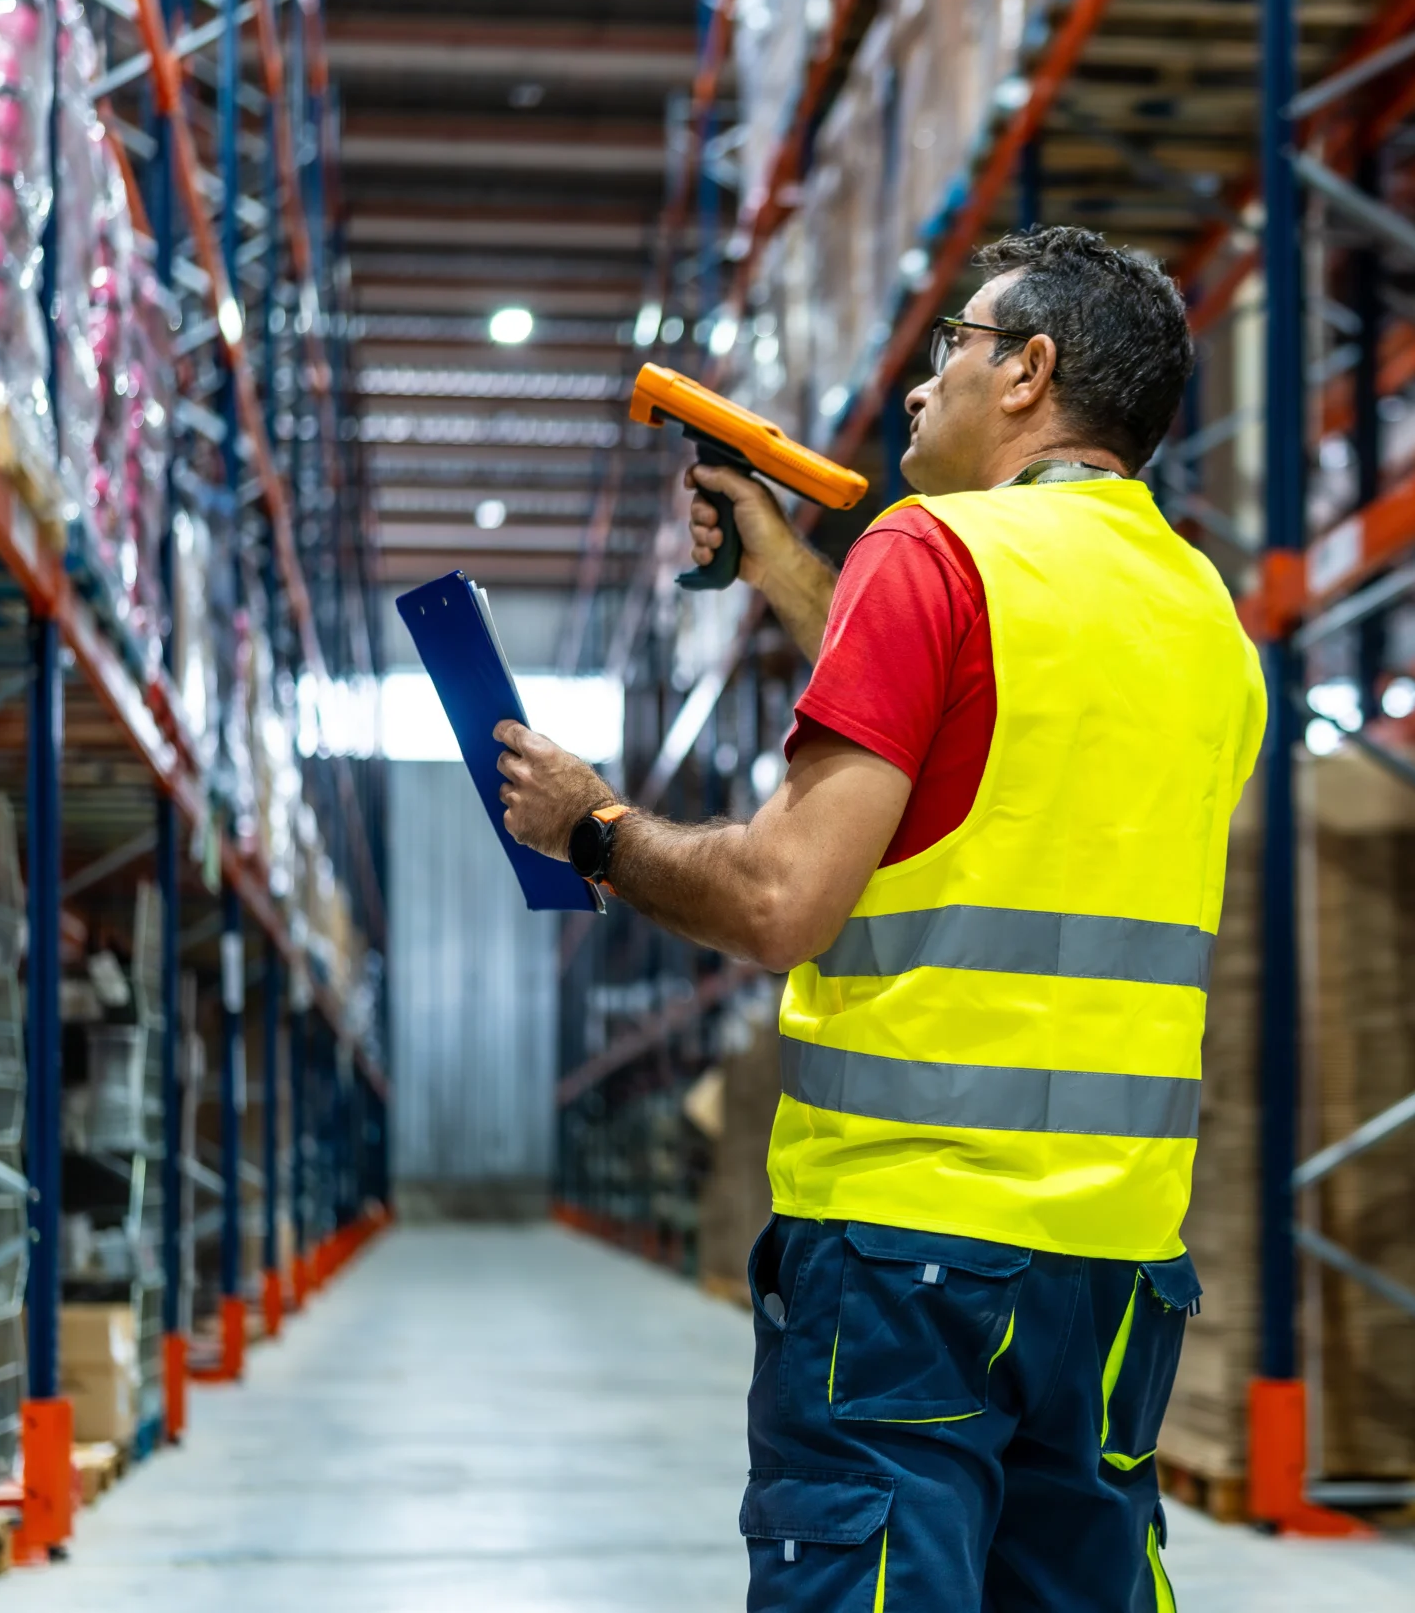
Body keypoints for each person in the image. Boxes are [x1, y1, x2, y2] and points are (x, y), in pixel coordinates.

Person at [494, 226, 1266, 1611]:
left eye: (956, 344)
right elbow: (973, 730)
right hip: (1116, 1261)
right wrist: (789, 568)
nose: (923, 381)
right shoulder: (1205, 619)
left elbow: (778, 900)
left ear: (1029, 372)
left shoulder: (933, 550)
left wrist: (591, 827)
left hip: (909, 1255)